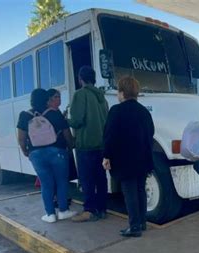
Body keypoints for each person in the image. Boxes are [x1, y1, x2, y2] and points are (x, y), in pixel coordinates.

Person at [103, 76, 154, 237]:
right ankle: (142, 222)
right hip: (142, 158)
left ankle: (134, 226)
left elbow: (109, 135)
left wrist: (106, 156)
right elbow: (150, 133)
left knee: (129, 191)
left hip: (124, 159)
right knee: (140, 190)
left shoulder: (116, 111)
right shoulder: (144, 111)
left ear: (122, 93)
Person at [17, 88, 76, 223]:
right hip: (58, 152)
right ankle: (63, 211)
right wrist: (70, 146)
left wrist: (25, 151)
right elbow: (67, 134)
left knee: (46, 183)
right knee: (61, 181)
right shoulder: (55, 114)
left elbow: (21, 138)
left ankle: (50, 214)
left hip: (36, 154)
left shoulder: (25, 115)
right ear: (46, 99)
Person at [68, 66, 109, 222]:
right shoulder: (102, 98)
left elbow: (77, 120)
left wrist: (66, 120)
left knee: (87, 179)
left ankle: (89, 210)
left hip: (85, 145)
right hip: (101, 145)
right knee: (101, 178)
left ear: (80, 79)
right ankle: (102, 209)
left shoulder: (80, 94)